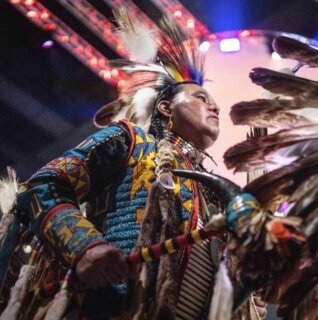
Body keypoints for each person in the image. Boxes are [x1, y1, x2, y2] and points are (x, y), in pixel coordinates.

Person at [1, 9, 264, 320]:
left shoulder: (214, 193)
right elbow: (43, 187)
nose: (215, 106)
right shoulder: (130, 141)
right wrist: (86, 247)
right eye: (201, 97)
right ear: (166, 108)